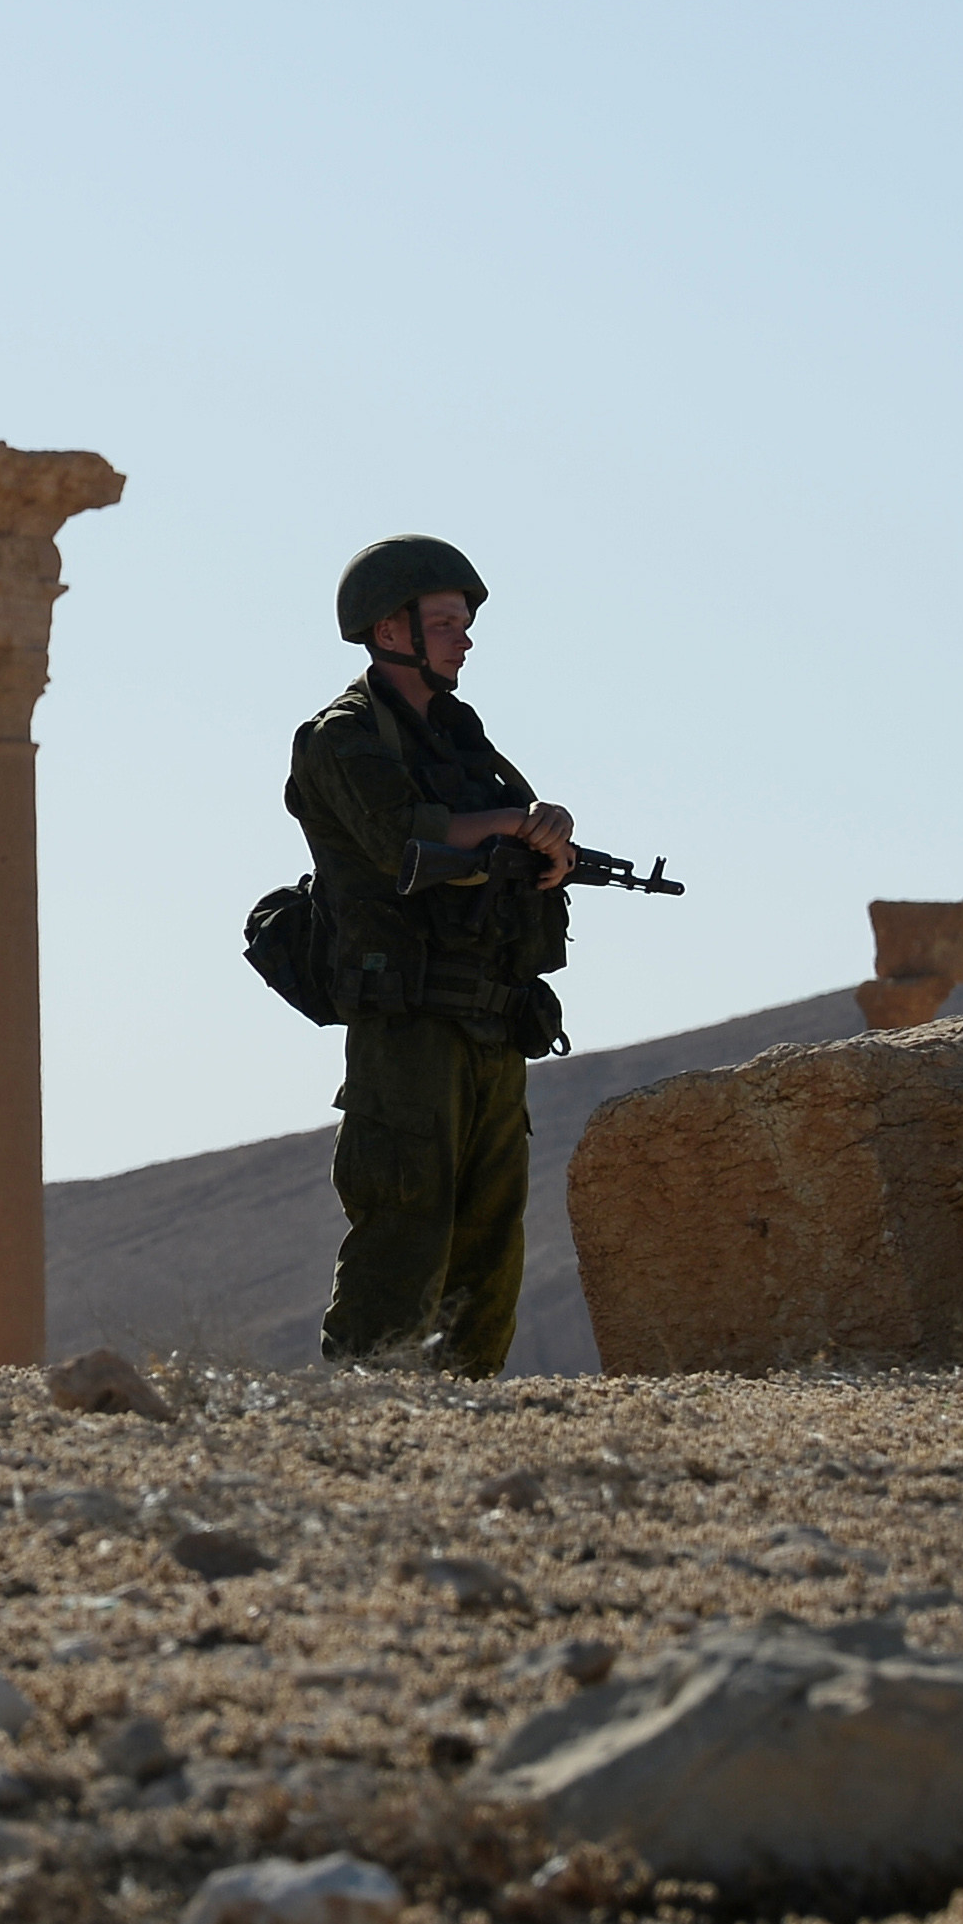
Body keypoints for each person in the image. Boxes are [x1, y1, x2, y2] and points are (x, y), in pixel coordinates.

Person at [287, 536, 575, 1375]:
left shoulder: (463, 739)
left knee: (491, 1238)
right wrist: (517, 827)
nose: (464, 637)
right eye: (445, 621)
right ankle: (365, 1418)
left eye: (465, 621)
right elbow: (400, 839)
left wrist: (549, 846)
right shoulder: (340, 735)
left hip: (491, 1018)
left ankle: (463, 1425)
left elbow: (511, 843)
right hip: (408, 1023)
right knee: (404, 1226)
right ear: (389, 628)